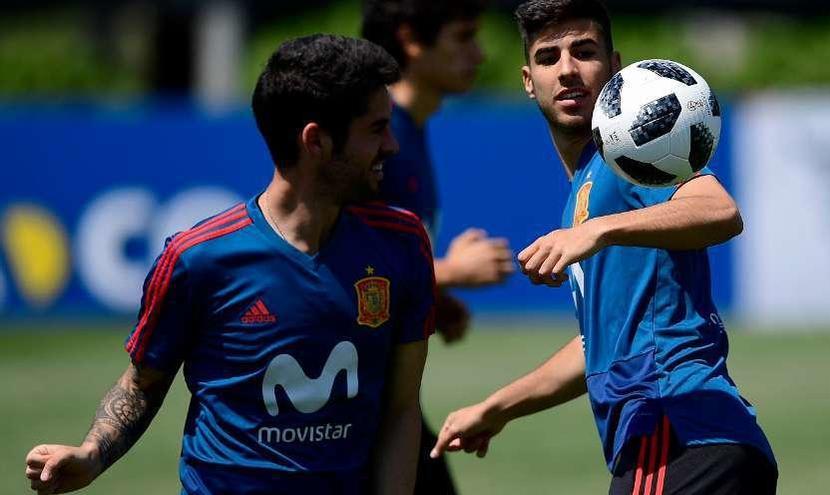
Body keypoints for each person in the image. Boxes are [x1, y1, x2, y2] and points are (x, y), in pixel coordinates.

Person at [25, 34, 434, 495]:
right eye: (377, 129)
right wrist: (92, 453)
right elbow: (143, 384)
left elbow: (401, 409)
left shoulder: (401, 242)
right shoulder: (197, 258)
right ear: (316, 141)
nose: (393, 146)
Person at [430, 1, 778, 493]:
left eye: (584, 52)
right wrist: (496, 408)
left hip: (675, 429)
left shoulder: (630, 153)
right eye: (549, 57)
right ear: (529, 81)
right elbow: (597, 344)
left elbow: (720, 210)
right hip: (686, 442)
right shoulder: (583, 188)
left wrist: (599, 230)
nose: (567, 70)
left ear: (615, 68)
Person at [362, 2, 514, 493]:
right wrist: (449, 271)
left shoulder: (412, 127)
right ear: (410, 38)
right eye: (464, 35)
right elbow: (334, 264)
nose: (481, 53)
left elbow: (383, 256)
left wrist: (431, 297)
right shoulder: (377, 137)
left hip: (385, 401)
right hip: (349, 406)